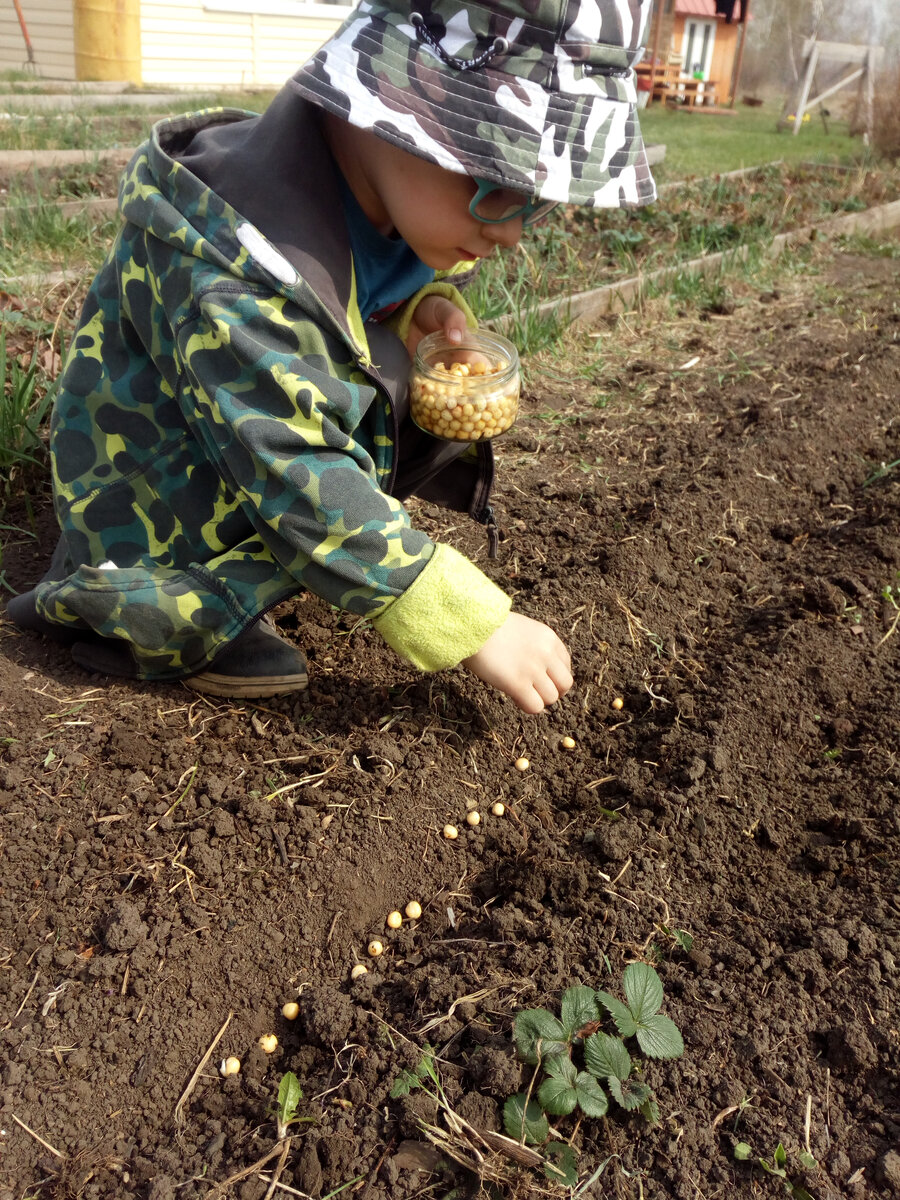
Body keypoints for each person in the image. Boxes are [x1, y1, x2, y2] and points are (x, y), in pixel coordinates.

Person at [6, 0, 656, 714]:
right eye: (497, 184)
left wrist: (417, 311)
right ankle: (147, 603)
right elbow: (293, 461)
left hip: (240, 440)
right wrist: (471, 622)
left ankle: (311, 555)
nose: (512, 236)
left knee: (387, 399)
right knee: (215, 577)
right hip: (150, 496)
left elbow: (351, 301)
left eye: (537, 202)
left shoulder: (377, 192)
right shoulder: (232, 272)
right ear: (390, 115)